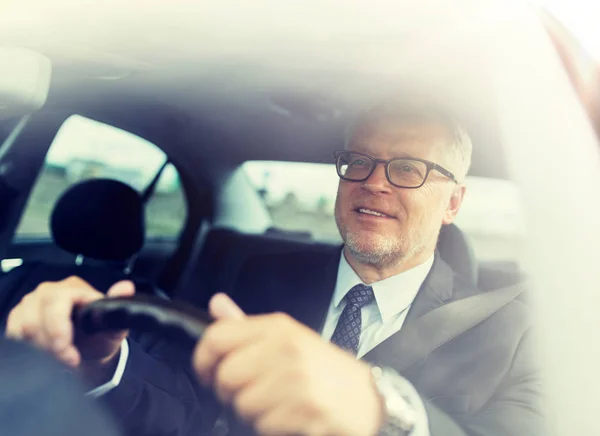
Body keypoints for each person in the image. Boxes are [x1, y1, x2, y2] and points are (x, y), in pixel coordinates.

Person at [4, 102, 543, 436]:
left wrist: (385, 416)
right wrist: (106, 363)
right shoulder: (253, 276)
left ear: (453, 203)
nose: (374, 182)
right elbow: (187, 411)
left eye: (408, 169)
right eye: (358, 162)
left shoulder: (519, 335)